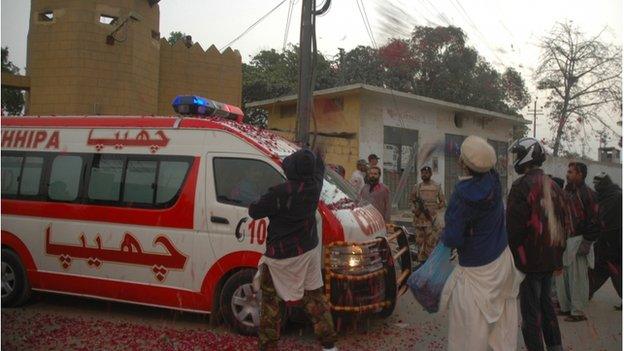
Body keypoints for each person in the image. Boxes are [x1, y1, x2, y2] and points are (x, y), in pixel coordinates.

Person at [440, 135, 524, 351]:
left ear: (462, 163)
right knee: (501, 325)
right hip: (501, 263)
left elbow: (452, 238)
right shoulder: (494, 181)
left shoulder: (461, 196)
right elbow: (481, 162)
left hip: (474, 273)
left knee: (469, 331)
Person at [248, 149, 337, 351]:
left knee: (271, 304)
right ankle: (329, 344)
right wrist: (316, 156)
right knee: (315, 301)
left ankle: (268, 345)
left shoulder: (279, 192)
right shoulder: (314, 186)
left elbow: (254, 211)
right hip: (307, 253)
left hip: (280, 259)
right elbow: (319, 169)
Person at [507, 137, 568, 351]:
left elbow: (514, 230)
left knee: (531, 313)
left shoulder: (520, 186)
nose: (515, 159)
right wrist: (558, 256)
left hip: (530, 261)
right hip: (551, 259)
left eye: (518, 154)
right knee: (547, 306)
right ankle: (555, 346)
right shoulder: (554, 185)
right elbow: (564, 224)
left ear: (528, 155)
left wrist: (516, 259)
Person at [555, 162, 600, 322]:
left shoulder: (588, 194)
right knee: (565, 277)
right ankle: (567, 308)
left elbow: (595, 221)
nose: (567, 174)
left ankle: (578, 312)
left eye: (571, 172)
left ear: (580, 174)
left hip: (580, 240)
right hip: (567, 239)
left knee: (578, 277)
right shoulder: (568, 192)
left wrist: (587, 242)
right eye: (568, 171)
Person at [589, 173, 622, 307]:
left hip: (614, 242)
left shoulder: (615, 196)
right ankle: (586, 292)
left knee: (616, 272)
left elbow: (605, 218)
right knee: (598, 269)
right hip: (604, 242)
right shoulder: (603, 196)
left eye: (598, 183)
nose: (596, 186)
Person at [410, 165, 445, 262]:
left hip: (431, 221)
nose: (424, 175)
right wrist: (415, 210)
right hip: (419, 221)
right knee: (420, 243)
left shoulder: (437, 186)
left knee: (431, 244)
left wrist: (434, 208)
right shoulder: (417, 187)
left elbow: (442, 202)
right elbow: (412, 202)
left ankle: (429, 263)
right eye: (422, 173)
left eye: (426, 173)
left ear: (430, 174)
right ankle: (421, 263)